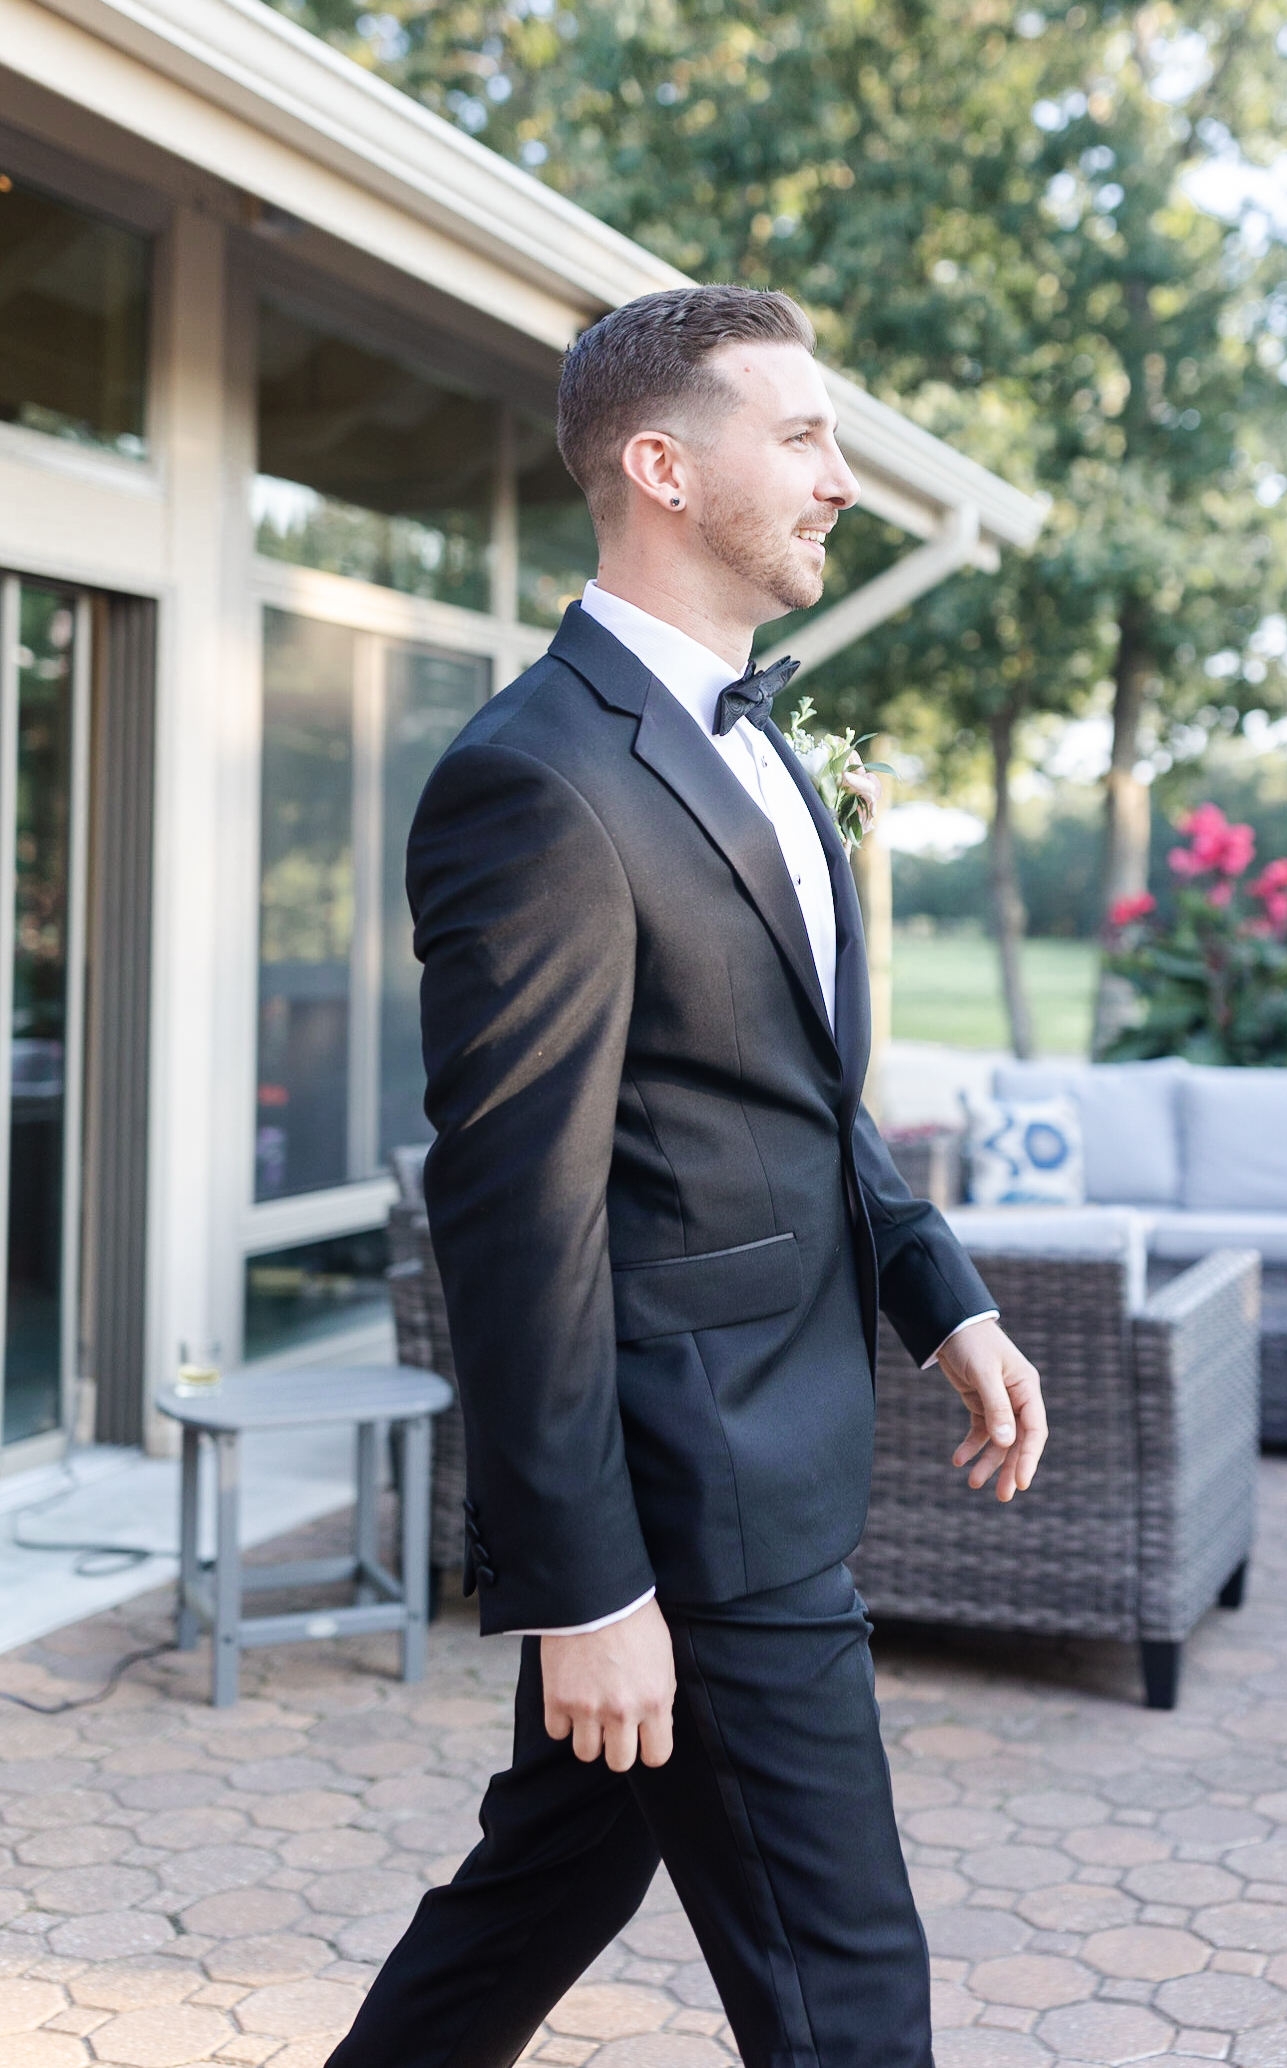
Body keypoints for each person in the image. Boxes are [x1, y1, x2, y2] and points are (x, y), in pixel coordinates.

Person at [327, 284, 1047, 2068]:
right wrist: (586, 1593)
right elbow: (517, 1223)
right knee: (853, 2002)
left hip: (774, 1447)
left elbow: (788, 1091)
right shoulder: (534, 783)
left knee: (543, 1892)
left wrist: (933, 1289)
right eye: (801, 435)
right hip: (694, 1504)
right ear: (662, 465)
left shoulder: (760, 740)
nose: (842, 481)